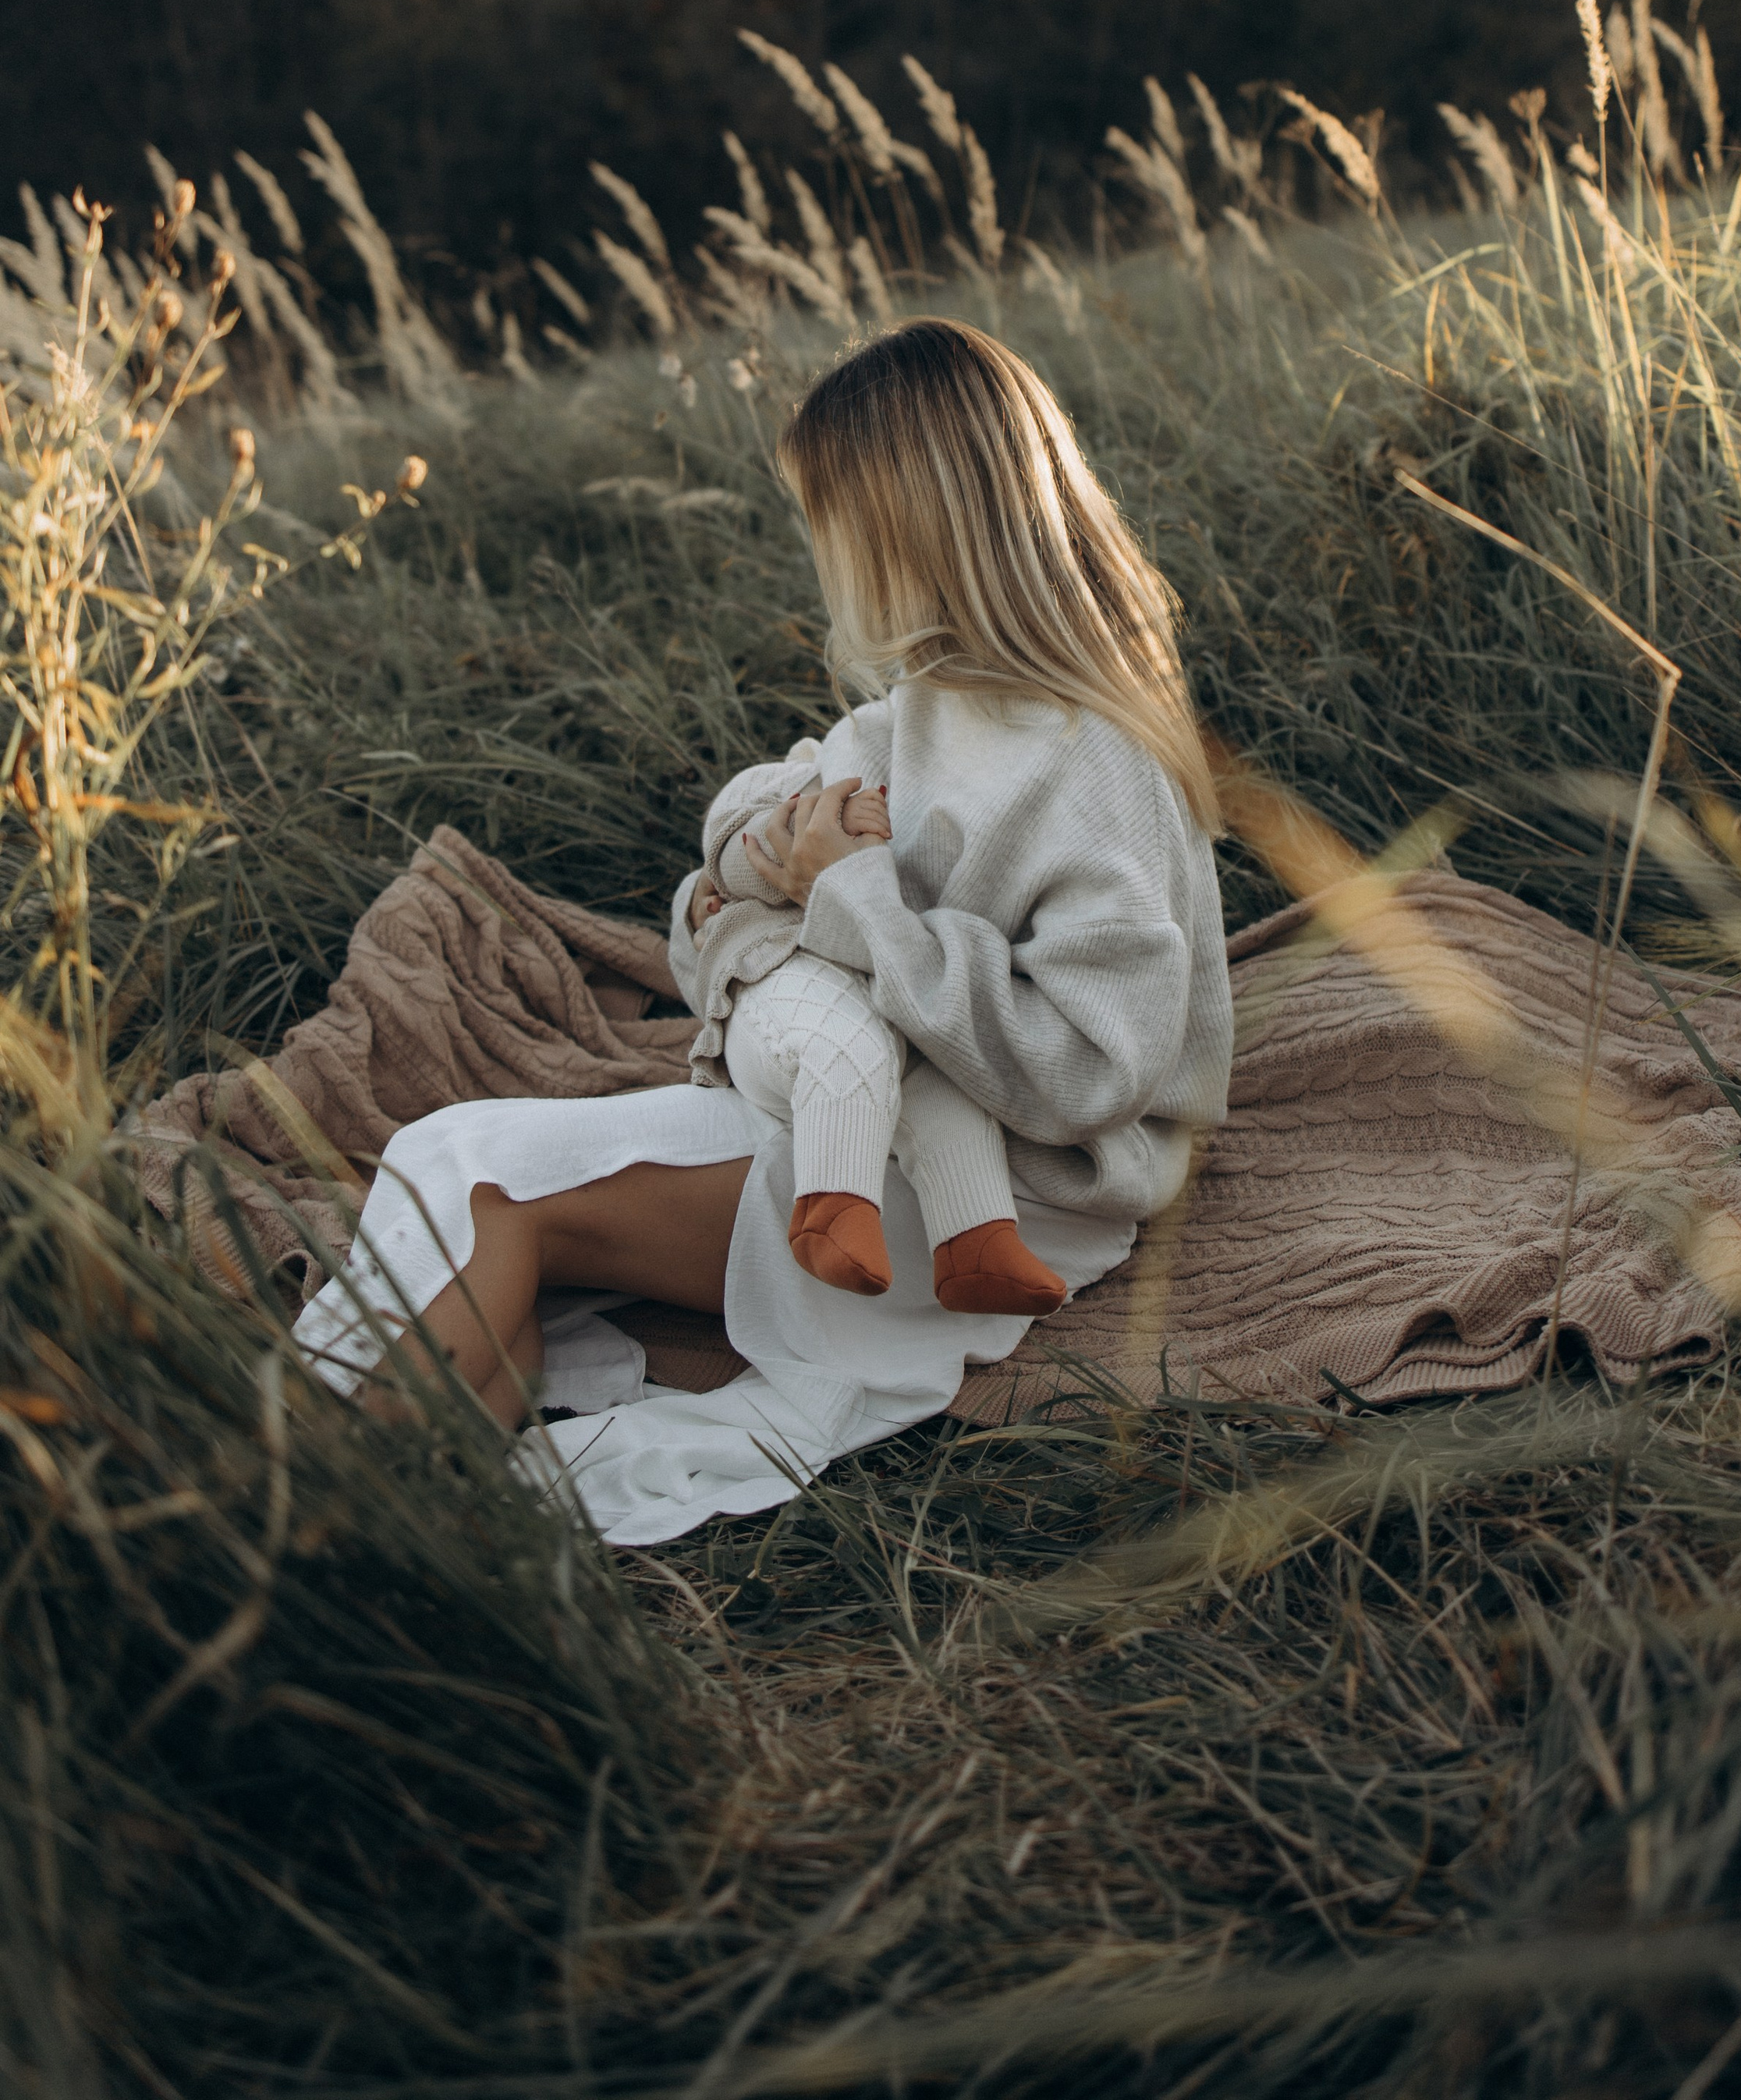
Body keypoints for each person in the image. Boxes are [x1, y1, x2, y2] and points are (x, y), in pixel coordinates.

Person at [293, 318, 1232, 1537]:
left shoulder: (1092, 760)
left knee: (473, 1182)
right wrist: (745, 885)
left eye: (833, 524)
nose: (825, 560)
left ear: (913, 527)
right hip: (865, 1106)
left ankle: (311, 1528)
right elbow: (725, 907)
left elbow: (1087, 1071)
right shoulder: (928, 707)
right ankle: (406, 1462)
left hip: (987, 1192)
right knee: (449, 1157)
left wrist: (840, 899)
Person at [670, 753, 1070, 1313]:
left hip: (882, 978)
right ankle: (831, 1208)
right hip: (780, 968)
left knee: (947, 1093)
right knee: (845, 1049)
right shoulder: (788, 775)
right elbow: (733, 857)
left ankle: (977, 1244)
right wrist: (813, 819)